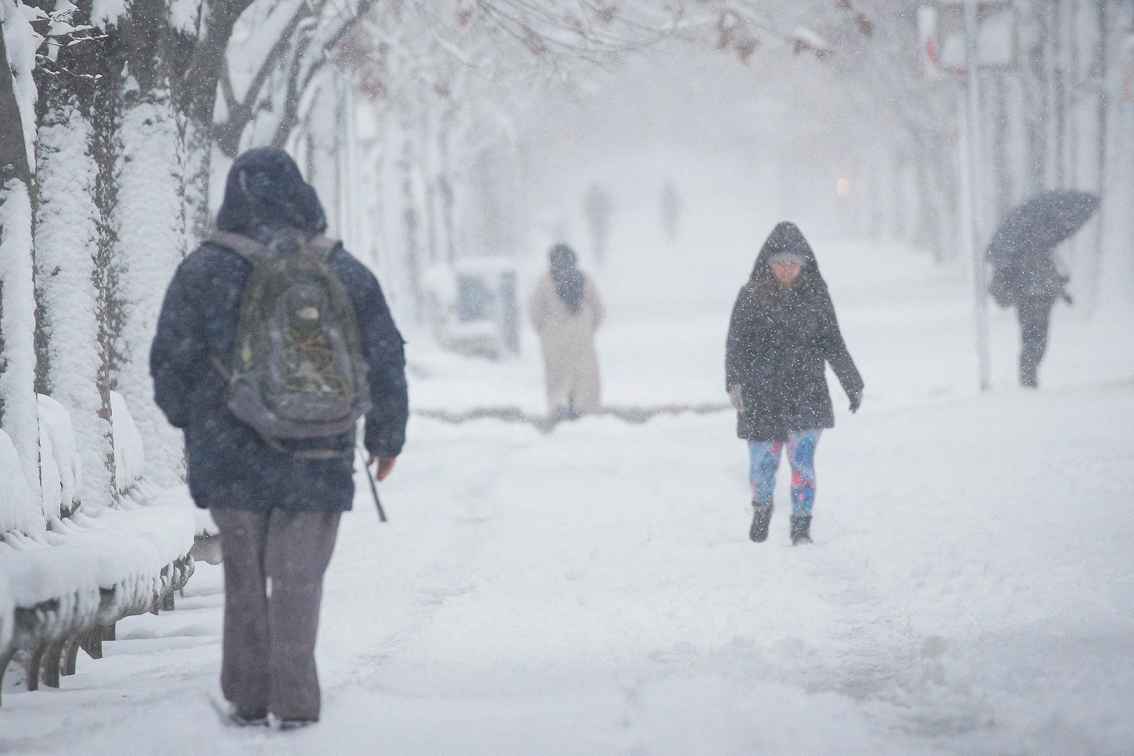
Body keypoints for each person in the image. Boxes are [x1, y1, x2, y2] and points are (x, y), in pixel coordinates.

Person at [150, 148, 408, 729]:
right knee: (299, 579)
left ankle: (246, 694)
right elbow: (386, 354)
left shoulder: (205, 271)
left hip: (230, 451)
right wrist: (386, 438)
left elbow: (169, 360)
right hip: (320, 450)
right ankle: (294, 700)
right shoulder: (341, 270)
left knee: (244, 575)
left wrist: (193, 422)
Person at [725, 222, 863, 545]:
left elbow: (833, 342)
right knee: (763, 464)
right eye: (779, 264)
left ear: (804, 264)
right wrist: (734, 382)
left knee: (802, 464)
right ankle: (762, 506)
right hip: (762, 396)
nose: (787, 270)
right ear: (768, 264)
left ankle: (801, 524)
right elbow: (735, 344)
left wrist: (851, 381)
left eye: (793, 263)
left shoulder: (816, 296)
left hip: (806, 393)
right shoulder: (749, 297)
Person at [529, 243, 605, 420]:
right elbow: (598, 309)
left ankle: (559, 406)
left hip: (554, 337)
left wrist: (543, 331)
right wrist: (589, 329)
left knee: (558, 377)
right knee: (584, 376)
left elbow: (535, 310)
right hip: (581, 336)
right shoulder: (583, 279)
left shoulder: (545, 281)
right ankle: (584, 409)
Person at [990, 252, 1071, 388]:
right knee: (1031, 337)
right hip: (1027, 301)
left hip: (1042, 300)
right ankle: (1027, 374)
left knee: (1039, 340)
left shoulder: (1044, 251)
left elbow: (1055, 275)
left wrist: (1062, 292)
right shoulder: (1017, 255)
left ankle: (1029, 370)